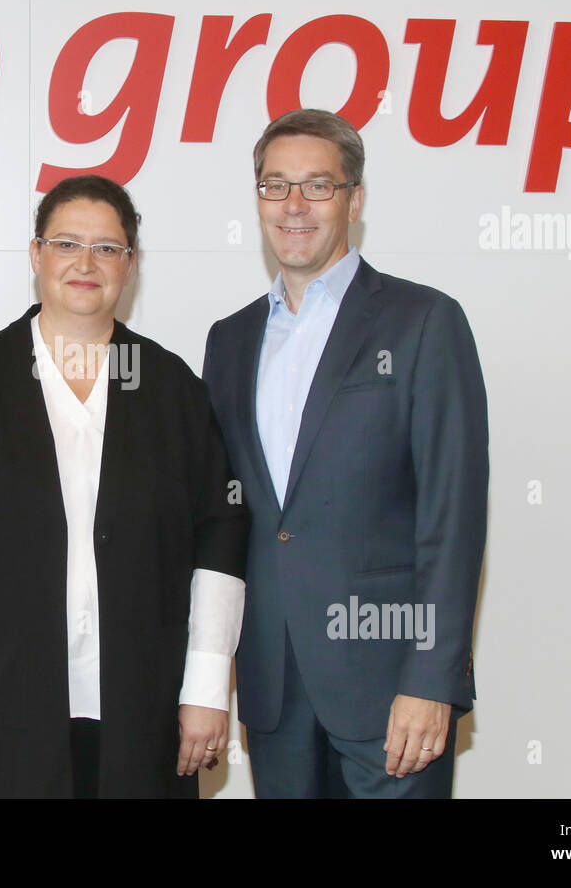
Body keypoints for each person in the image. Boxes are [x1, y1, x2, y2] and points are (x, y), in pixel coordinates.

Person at [0, 175, 248, 798]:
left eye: (107, 248)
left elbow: (219, 539)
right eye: (66, 244)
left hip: (150, 711)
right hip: (2, 716)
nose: (86, 263)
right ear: (36, 255)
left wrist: (204, 689)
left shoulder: (170, 388)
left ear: (130, 265)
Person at [202, 110, 488, 798]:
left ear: (355, 200)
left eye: (317, 187)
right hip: (271, 686)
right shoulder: (229, 339)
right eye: (275, 186)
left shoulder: (422, 321)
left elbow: (452, 517)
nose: (293, 206)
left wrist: (431, 678)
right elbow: (226, 514)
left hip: (389, 688)